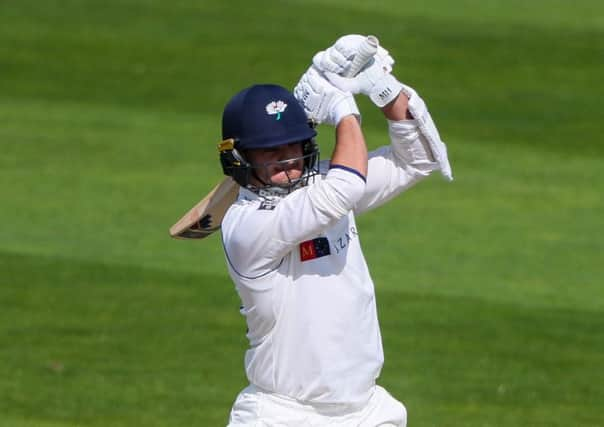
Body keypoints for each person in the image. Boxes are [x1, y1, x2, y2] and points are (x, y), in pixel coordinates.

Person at [218, 35, 452, 426]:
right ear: (239, 158)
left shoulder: (321, 185)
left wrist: (382, 88)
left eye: (293, 145)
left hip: (367, 412)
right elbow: (345, 187)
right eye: (270, 152)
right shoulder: (247, 227)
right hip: (285, 414)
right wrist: (343, 107)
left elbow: (419, 159)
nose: (287, 160)